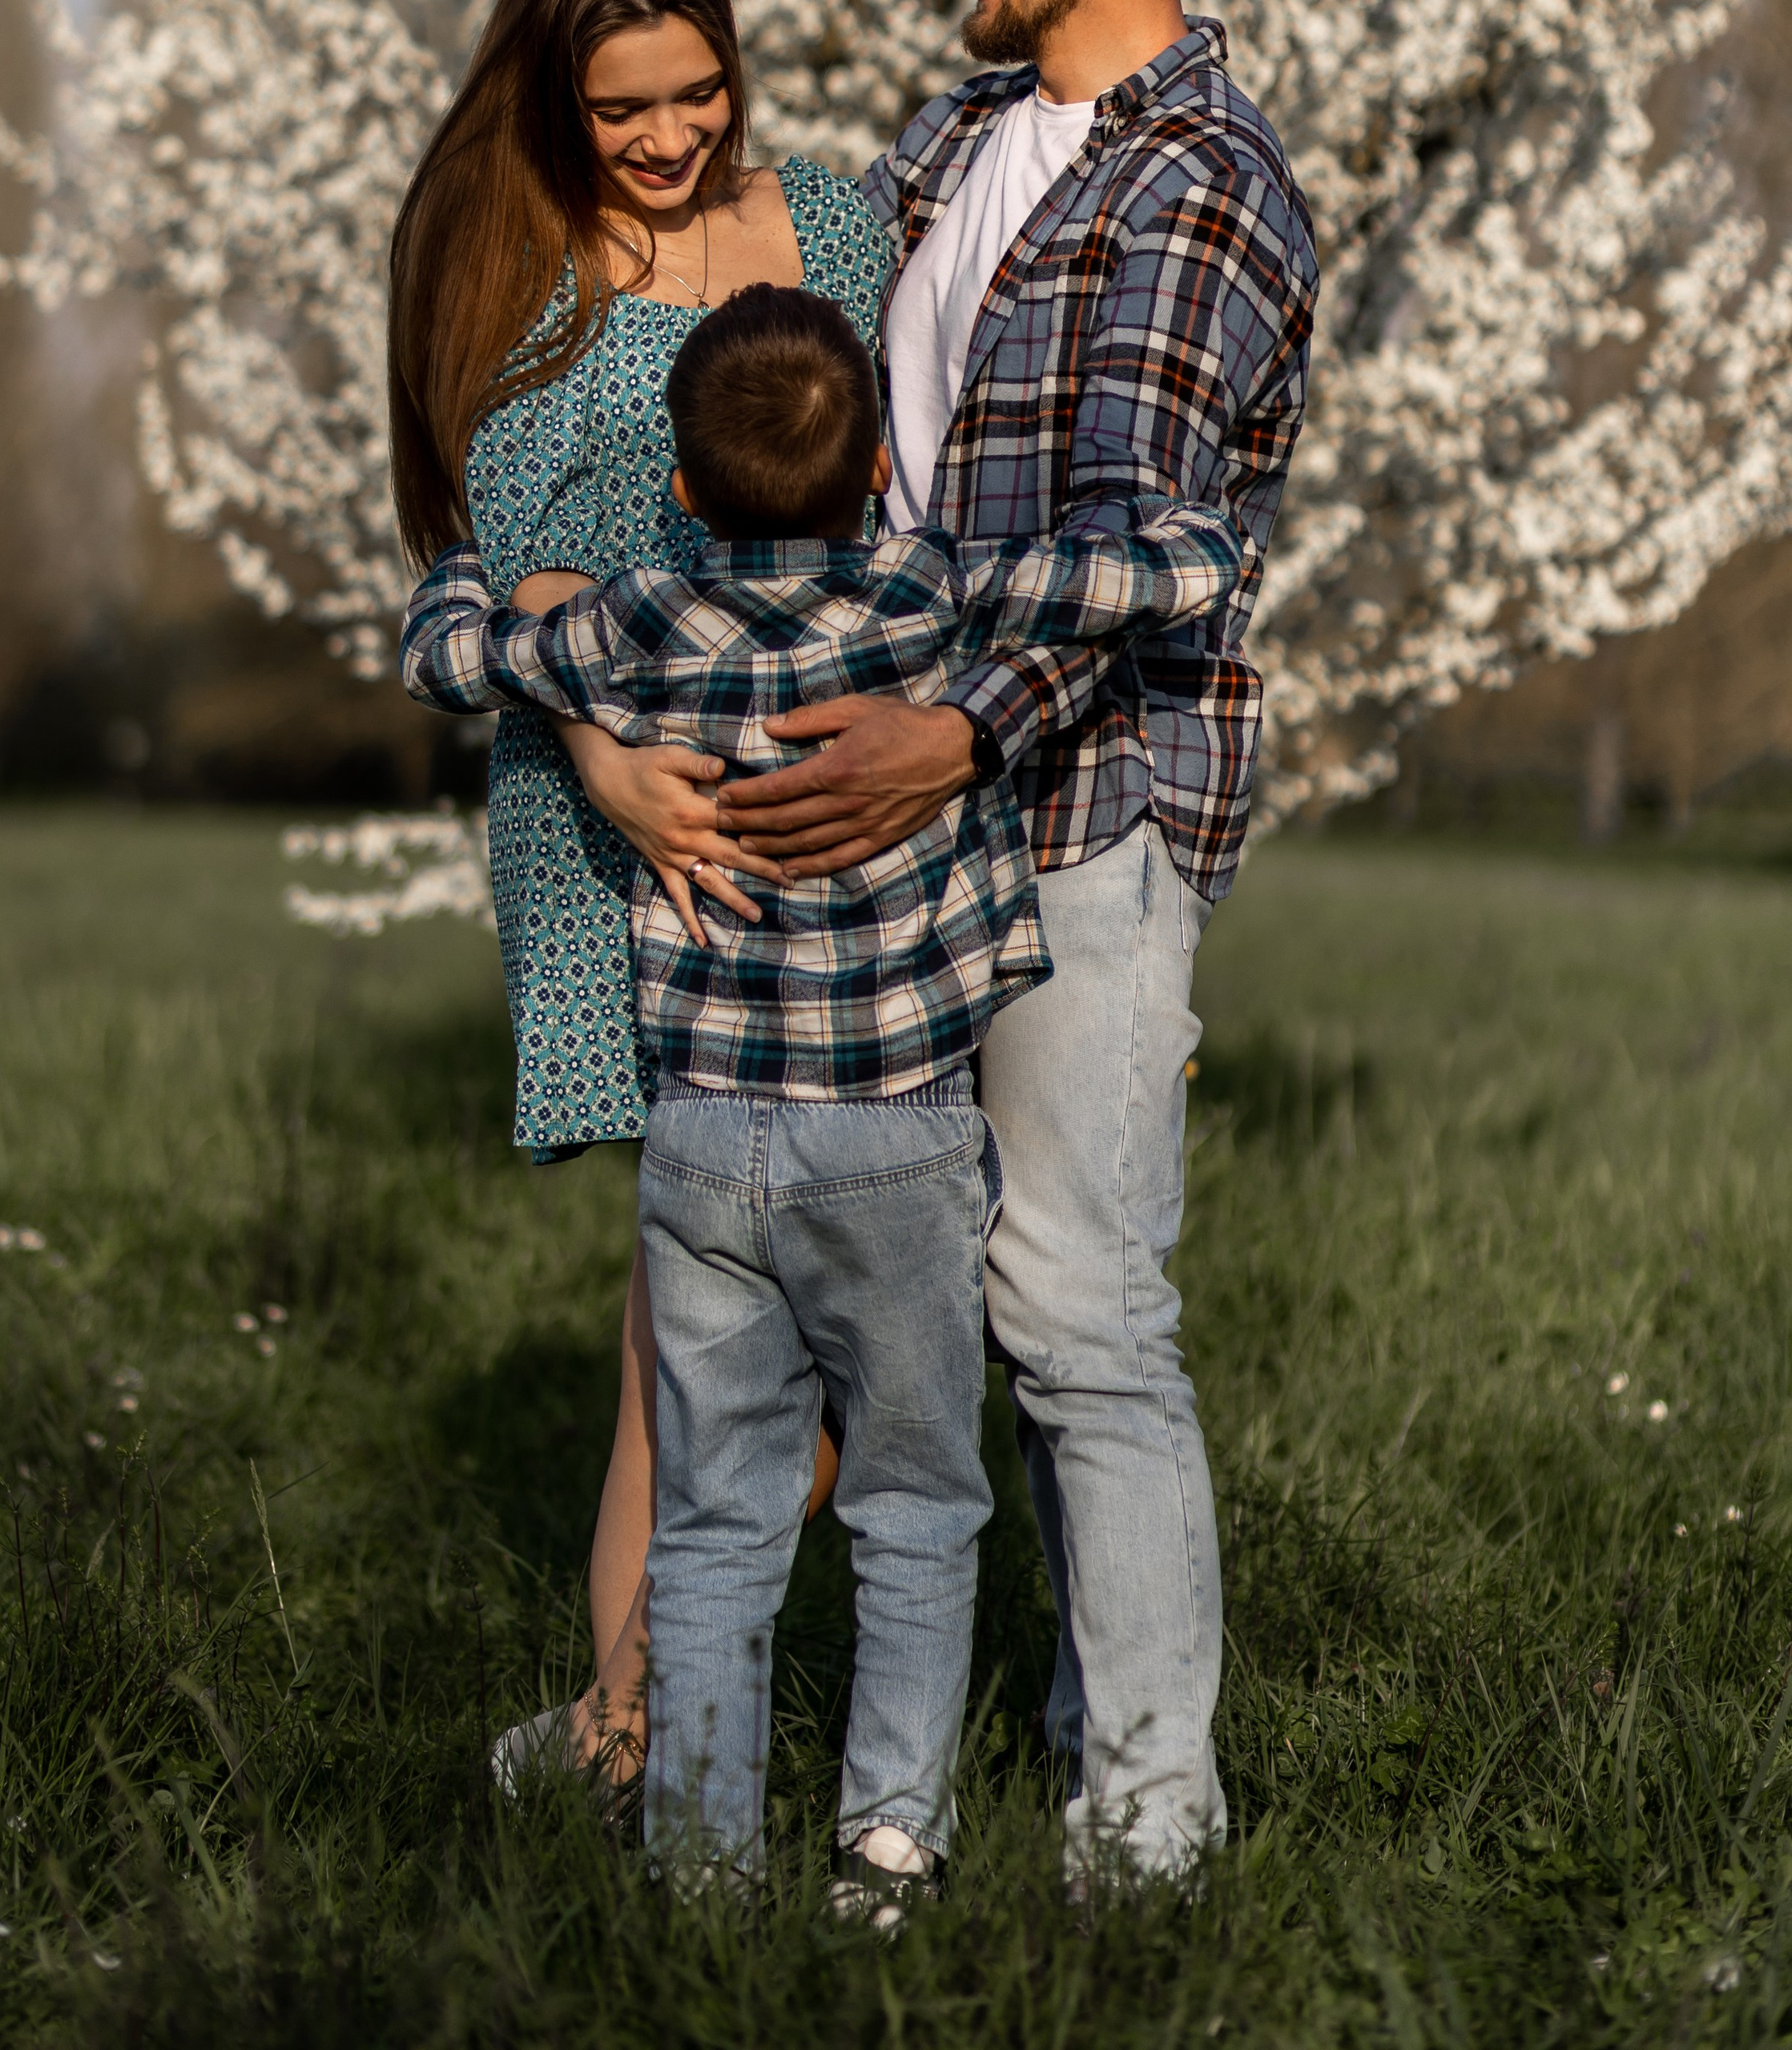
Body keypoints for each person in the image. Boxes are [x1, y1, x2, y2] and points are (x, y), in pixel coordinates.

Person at [401, 284, 1247, 1904]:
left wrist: (466, 564)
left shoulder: (638, 623)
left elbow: (450, 651)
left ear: (678, 488)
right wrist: (1184, 539)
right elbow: (1170, 570)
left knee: (717, 1517)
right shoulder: (925, 595)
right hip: (897, 1144)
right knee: (918, 1505)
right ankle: (885, 1843)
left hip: (706, 1137)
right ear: (875, 474)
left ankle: (702, 1870)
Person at [716, 0, 1320, 1884]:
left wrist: (955, 730)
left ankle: (1147, 1824)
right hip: (898, 806)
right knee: (833, 1277)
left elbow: (1145, 530)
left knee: (1074, 1305)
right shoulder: (957, 132)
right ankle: (672, 1720)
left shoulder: (1205, 186)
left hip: (1082, 813)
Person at [385, 0, 890, 1786]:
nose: (670, 136)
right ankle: (635, 1734)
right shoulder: (528, 273)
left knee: (879, 1270)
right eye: (621, 109)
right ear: (554, 100)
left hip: (834, 802)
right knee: (680, 1320)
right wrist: (597, 762)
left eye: (696, 90)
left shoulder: (835, 228)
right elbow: (497, 569)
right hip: (634, 830)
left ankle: (637, 1717)